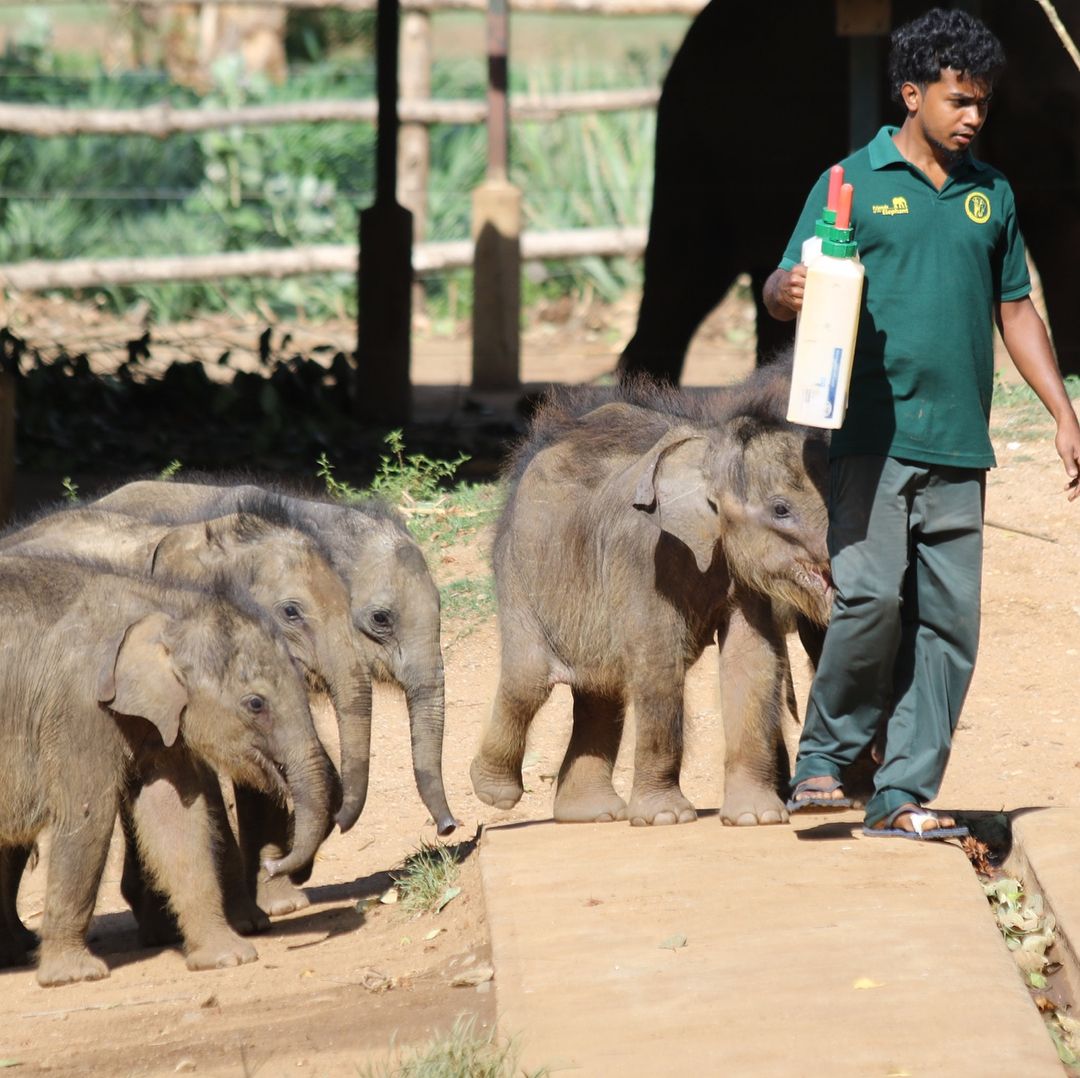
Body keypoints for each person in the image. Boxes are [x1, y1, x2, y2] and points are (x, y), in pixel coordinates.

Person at [763, 7, 1080, 840]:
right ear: (913, 94)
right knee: (868, 598)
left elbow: (1017, 310)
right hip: (871, 436)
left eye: (983, 103)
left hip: (960, 446)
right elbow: (786, 280)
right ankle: (823, 764)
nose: (974, 117)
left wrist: (1062, 411)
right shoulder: (850, 183)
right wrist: (784, 292)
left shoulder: (992, 196)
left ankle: (903, 792)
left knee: (951, 625)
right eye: (958, 101)